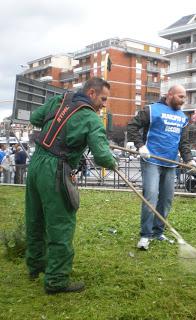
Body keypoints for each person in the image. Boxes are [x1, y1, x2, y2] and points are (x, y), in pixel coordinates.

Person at [25, 77, 116, 294]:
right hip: (56, 169)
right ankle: (56, 281)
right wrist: (114, 162)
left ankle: (35, 265)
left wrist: (57, 121)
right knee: (61, 224)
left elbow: (36, 118)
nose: (105, 104)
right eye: (103, 99)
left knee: (35, 218)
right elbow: (102, 157)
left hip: (36, 164)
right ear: (91, 93)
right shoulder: (91, 119)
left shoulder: (60, 99)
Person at [127, 85, 196, 250]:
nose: (183, 100)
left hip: (171, 163)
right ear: (170, 95)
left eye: (184, 97)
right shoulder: (151, 110)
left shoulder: (182, 117)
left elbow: (183, 142)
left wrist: (189, 160)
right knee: (150, 197)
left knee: (166, 200)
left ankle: (157, 232)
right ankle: (145, 236)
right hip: (151, 160)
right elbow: (132, 126)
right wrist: (140, 146)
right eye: (180, 96)